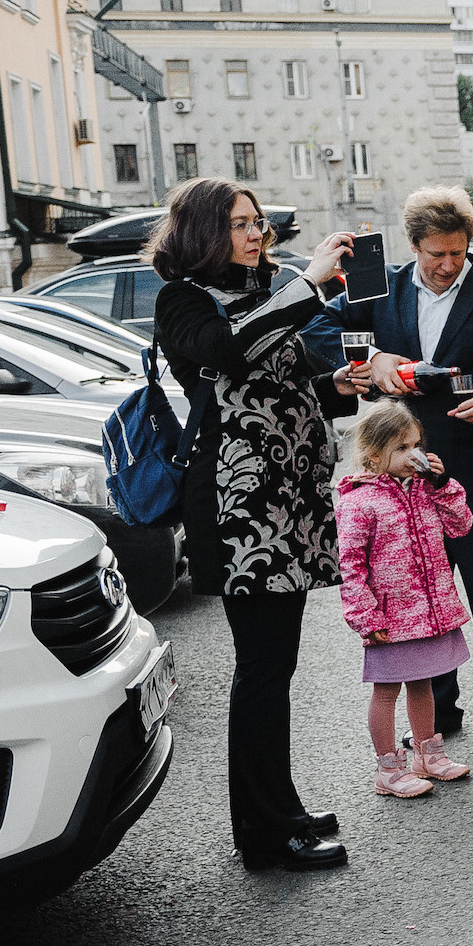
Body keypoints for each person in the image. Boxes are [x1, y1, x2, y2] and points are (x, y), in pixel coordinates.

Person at [152, 178, 361, 871]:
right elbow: (229, 352)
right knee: (264, 670)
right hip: (242, 515)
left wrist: (340, 387)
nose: (255, 234)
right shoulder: (183, 299)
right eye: (240, 223)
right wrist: (310, 284)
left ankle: (280, 809)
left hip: (289, 505)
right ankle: (267, 835)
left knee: (277, 666)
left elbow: (286, 384)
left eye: (259, 222)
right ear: (204, 231)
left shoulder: (259, 295)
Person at [302, 187, 473, 749]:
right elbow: (317, 332)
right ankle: (438, 711)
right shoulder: (378, 285)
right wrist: (372, 359)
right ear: (412, 246)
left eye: (458, 253)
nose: (447, 265)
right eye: (435, 253)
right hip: (399, 474)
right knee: (418, 593)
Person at [335, 401, 473, 798]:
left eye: (416, 444)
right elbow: (349, 565)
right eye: (401, 448)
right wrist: (366, 616)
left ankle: (427, 754)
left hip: (427, 611)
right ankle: (388, 768)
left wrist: (441, 484)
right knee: (386, 689)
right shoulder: (359, 502)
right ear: (373, 454)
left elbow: (461, 525)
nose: (413, 454)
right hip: (388, 616)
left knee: (422, 682)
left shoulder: (423, 490)